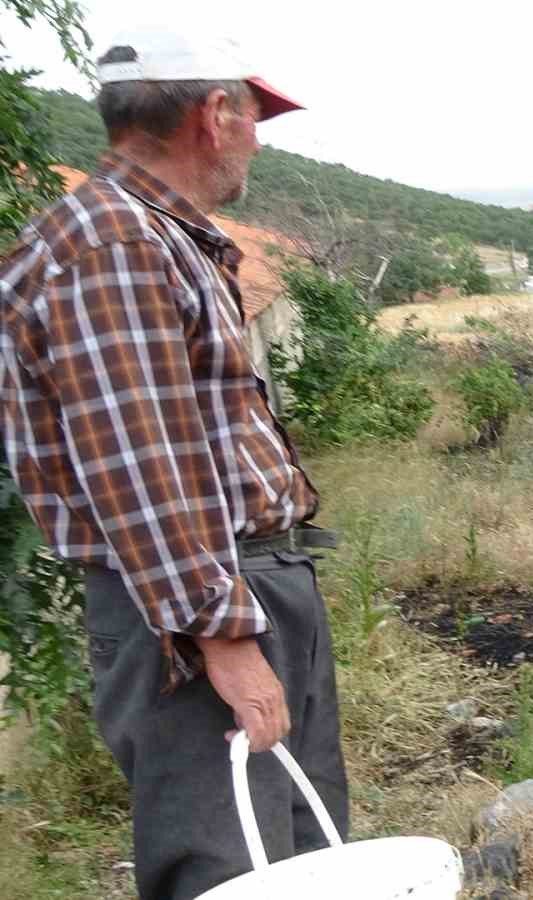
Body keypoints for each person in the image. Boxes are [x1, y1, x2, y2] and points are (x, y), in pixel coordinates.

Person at [0, 28, 347, 899]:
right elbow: (140, 460)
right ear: (215, 113)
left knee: (306, 851)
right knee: (232, 866)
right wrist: (222, 636)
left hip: (241, 585)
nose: (258, 141)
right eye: (256, 117)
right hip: (196, 612)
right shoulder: (114, 245)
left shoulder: (152, 235)